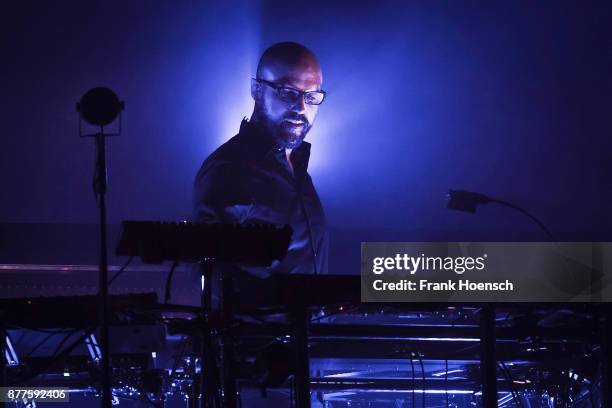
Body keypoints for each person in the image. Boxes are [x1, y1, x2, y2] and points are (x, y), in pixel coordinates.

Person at [193, 42, 328, 278]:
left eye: (312, 96)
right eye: (288, 92)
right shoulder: (229, 169)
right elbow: (212, 278)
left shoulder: (297, 170)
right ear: (256, 90)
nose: (301, 107)